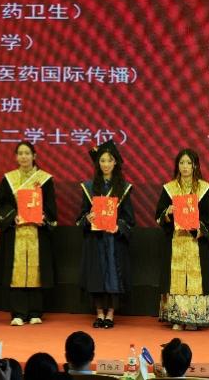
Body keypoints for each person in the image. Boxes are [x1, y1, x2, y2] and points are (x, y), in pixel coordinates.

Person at [0, 141, 58, 326]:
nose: (24, 156)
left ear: (34, 156)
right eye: (20, 153)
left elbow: (50, 206)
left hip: (37, 232)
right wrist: (12, 216)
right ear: (16, 157)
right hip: (16, 231)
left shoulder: (44, 179)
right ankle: (18, 313)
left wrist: (43, 217)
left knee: (36, 270)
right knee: (16, 270)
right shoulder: (9, 179)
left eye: (27, 153)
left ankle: (35, 312)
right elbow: (2, 204)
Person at [77, 140, 135, 328]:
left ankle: (110, 314)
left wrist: (119, 226)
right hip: (95, 239)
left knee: (113, 276)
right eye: (102, 160)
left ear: (115, 162)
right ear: (98, 163)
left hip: (114, 241)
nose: (106, 164)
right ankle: (99, 313)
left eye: (109, 160)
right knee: (97, 276)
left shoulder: (123, 188)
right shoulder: (89, 187)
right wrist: (88, 218)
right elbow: (80, 218)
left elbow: (129, 219)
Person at [156, 148, 209, 331]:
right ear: (177, 166)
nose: (185, 166)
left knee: (195, 279)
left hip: (195, 241)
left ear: (195, 165)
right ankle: (177, 318)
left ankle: (194, 318)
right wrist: (167, 213)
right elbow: (158, 216)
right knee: (176, 279)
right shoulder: (169, 188)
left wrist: (198, 228)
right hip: (175, 241)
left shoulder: (204, 188)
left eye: (189, 162)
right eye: (182, 163)